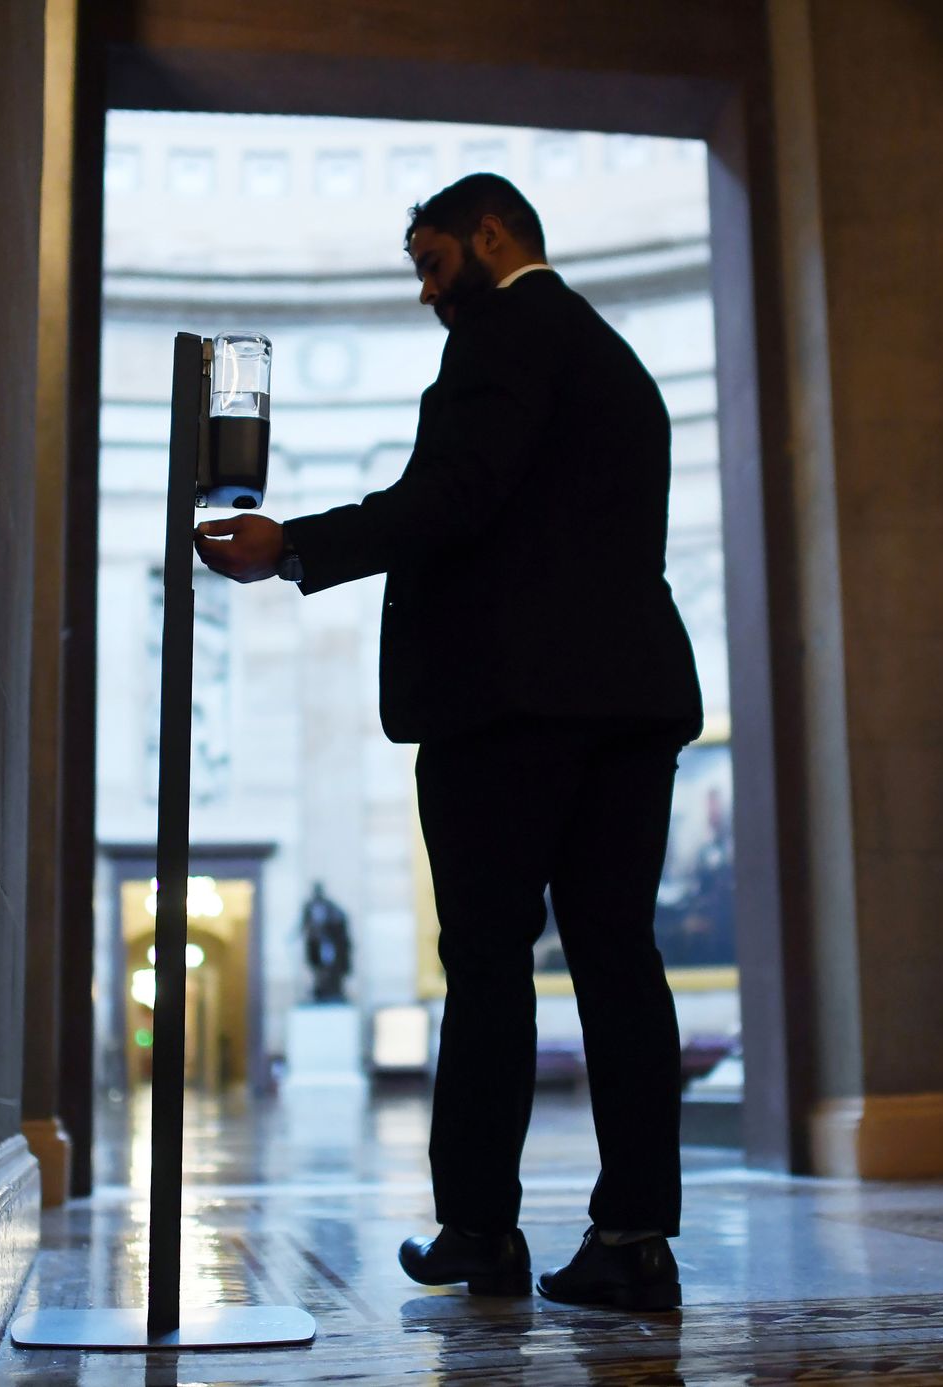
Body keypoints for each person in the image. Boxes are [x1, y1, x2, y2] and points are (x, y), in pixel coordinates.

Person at [194, 173, 701, 1312]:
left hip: (511, 705)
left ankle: (480, 1228)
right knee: (620, 960)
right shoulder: (617, 360)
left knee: (485, 960)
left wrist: (292, 546)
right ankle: (633, 1239)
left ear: (489, 235)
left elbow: (454, 497)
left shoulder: (502, 337)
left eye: (432, 264)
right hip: (631, 697)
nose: (429, 294)